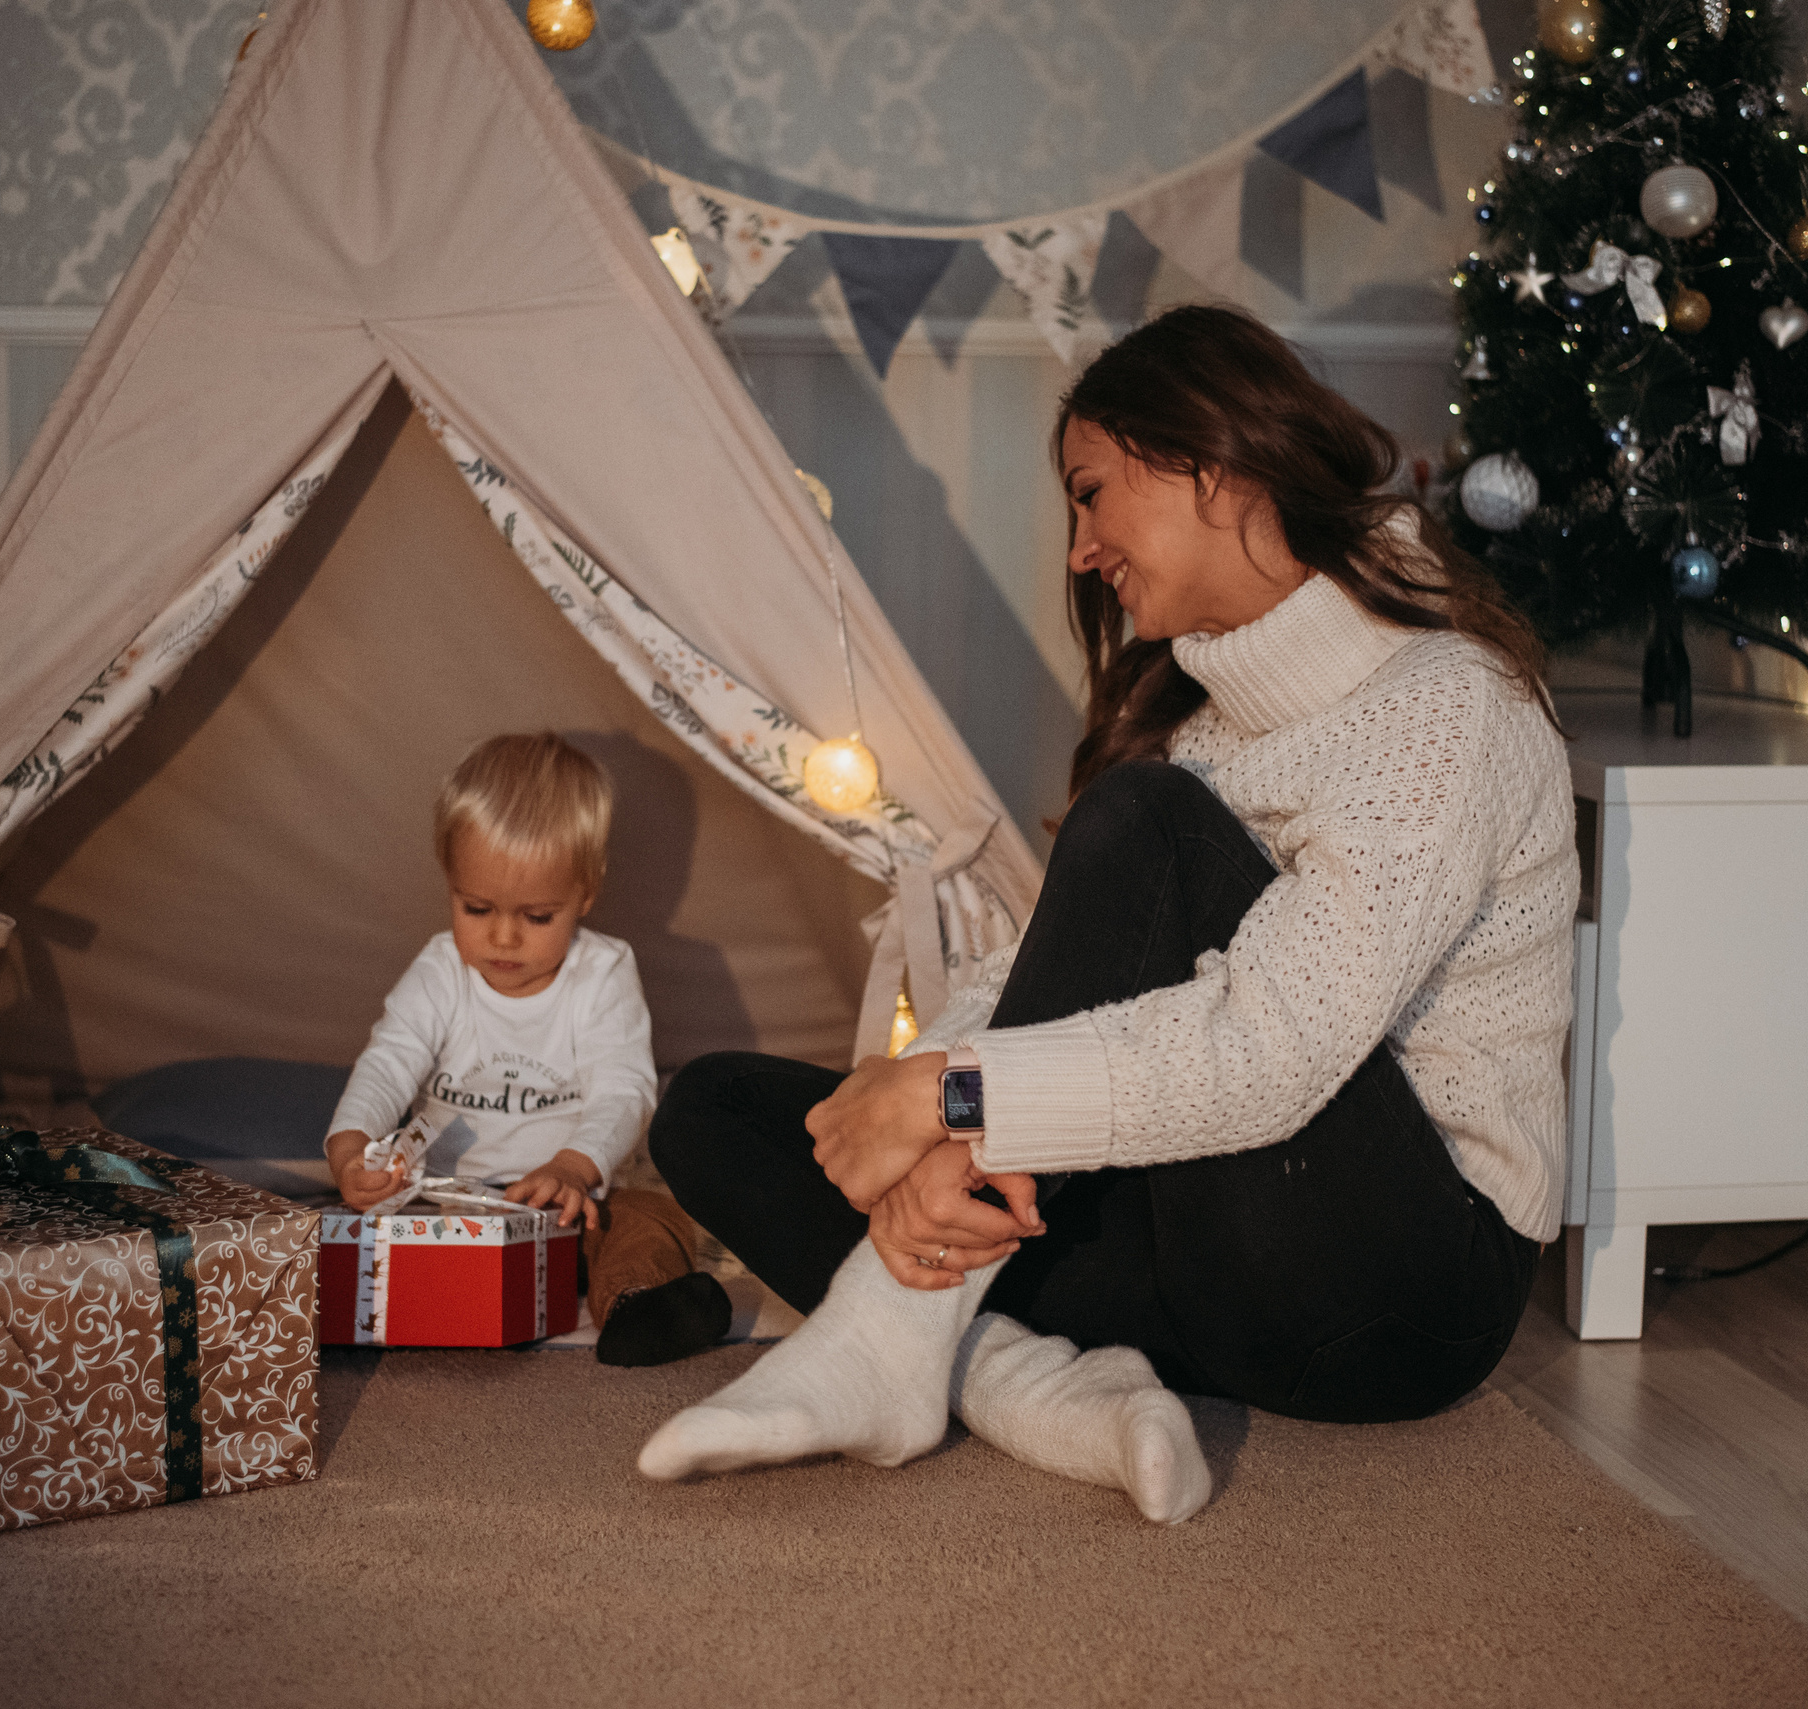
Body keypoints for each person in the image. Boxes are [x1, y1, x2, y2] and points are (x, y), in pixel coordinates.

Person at [637, 305, 1577, 1519]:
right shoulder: (1208, 728)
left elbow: (1268, 1051)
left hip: (1393, 1297)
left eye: (1091, 495)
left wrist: (949, 1101)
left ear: (1208, 464)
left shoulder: (1447, 703)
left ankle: (891, 1321)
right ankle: (1038, 1388)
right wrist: (926, 1097)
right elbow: (1048, 974)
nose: (1080, 551)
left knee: (1142, 822)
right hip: (1212, 1268)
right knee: (716, 1109)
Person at [325, 731, 732, 1366]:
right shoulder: (440, 971)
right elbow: (388, 1063)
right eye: (476, 908)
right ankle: (435, 1300)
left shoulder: (602, 973)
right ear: (451, 883)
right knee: (354, 1233)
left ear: (586, 894)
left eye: (537, 917)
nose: (504, 937)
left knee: (649, 1217)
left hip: (571, 1210)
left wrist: (573, 1168)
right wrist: (351, 1149)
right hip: (450, 1205)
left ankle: (637, 1304)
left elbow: (624, 1090)